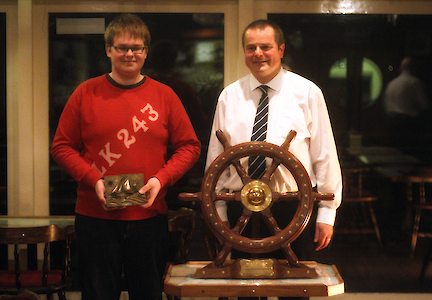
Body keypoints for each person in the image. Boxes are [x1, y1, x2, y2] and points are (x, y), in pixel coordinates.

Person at [51, 14, 201, 300]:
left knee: (147, 294)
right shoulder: (86, 92)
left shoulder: (165, 95)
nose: (130, 54)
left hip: (148, 215)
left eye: (137, 48)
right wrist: (94, 179)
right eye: (122, 47)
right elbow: (61, 147)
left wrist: (162, 178)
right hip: (95, 216)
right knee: (97, 294)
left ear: (146, 51)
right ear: (108, 50)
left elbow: (190, 147)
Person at [205, 19, 342, 300]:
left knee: (294, 290)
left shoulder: (308, 93)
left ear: (280, 49)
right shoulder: (229, 96)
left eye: (265, 47)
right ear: (244, 52)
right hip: (238, 207)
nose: (258, 53)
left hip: (293, 207)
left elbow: (324, 154)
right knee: (241, 291)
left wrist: (327, 212)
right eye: (251, 47)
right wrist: (217, 212)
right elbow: (215, 160)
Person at [384, 57, 429, 156]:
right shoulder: (415, 82)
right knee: (409, 154)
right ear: (413, 68)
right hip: (408, 124)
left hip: (392, 122)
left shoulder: (392, 83)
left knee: (395, 154)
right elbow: (424, 105)